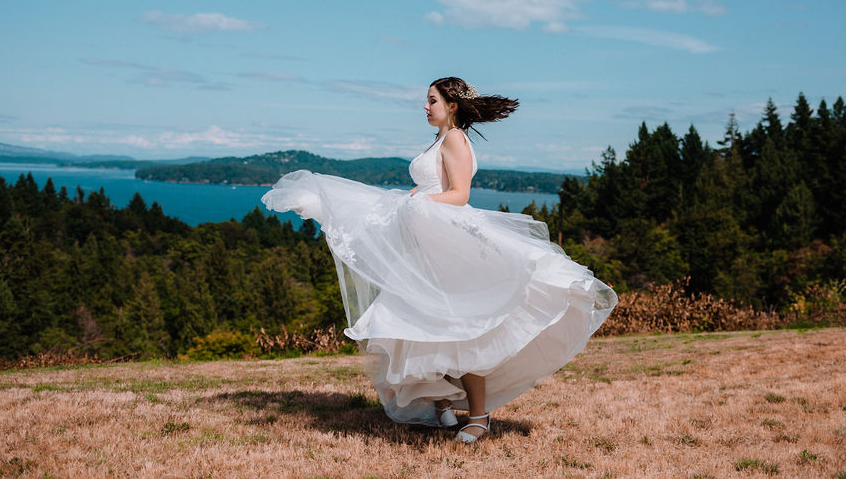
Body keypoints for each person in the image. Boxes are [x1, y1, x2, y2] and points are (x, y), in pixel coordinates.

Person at [261, 77, 617, 443]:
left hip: (449, 245)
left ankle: (479, 417)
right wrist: (397, 203)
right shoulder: (440, 139)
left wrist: (415, 204)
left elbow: (459, 195)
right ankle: (442, 401)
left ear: (452, 105)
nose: (425, 107)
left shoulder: (455, 139)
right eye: (426, 100)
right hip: (426, 245)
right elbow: (429, 188)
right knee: (423, 327)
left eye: (431, 100)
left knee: (458, 329)